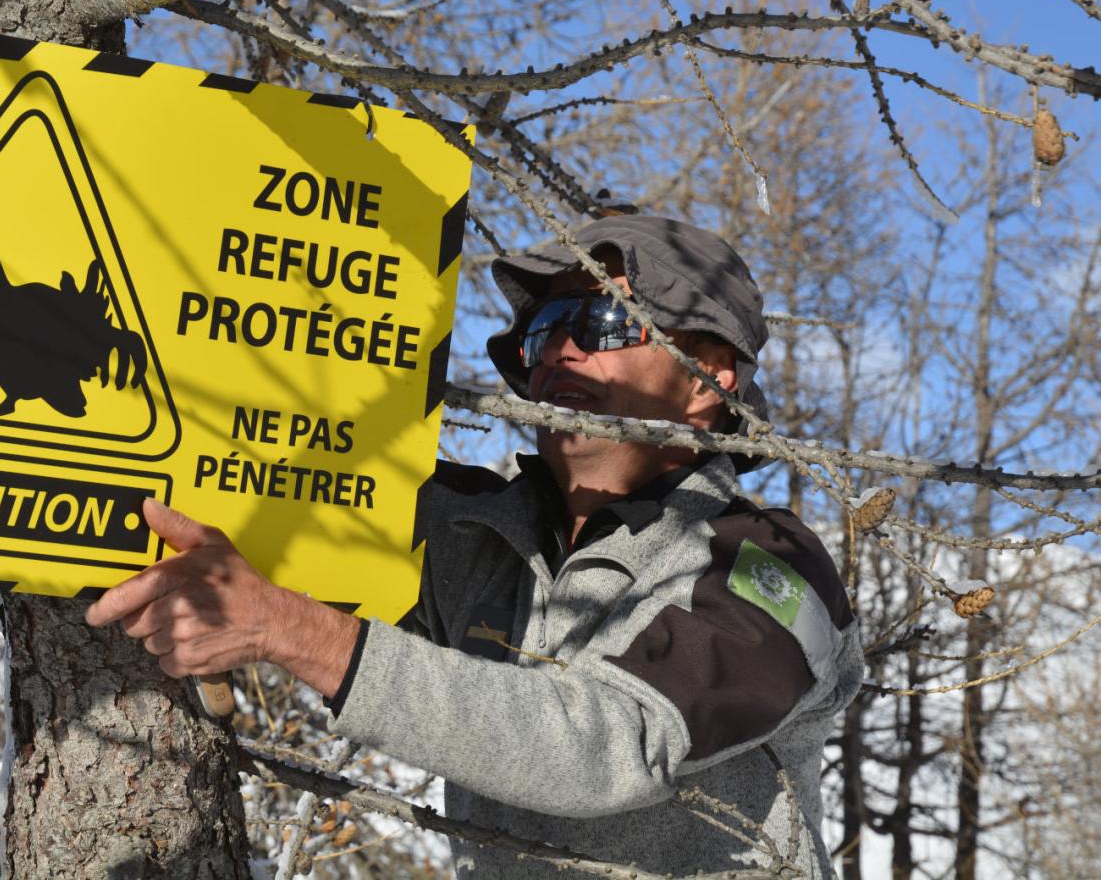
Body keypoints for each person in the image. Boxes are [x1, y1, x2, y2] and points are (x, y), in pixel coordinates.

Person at [87, 215, 863, 878]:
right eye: (542, 331)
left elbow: (615, 746)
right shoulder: (470, 534)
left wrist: (289, 630)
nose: (560, 352)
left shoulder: (766, 568)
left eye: (599, 324)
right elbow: (282, 478)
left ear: (706, 380)